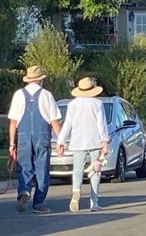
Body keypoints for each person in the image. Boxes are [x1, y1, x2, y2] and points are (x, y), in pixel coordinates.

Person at [8, 65, 61, 214]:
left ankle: (24, 191)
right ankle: (38, 203)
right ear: (40, 80)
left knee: (24, 167)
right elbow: (54, 121)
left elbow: (13, 121)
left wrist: (12, 144)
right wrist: (61, 140)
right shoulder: (46, 95)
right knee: (42, 169)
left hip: (23, 134)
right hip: (42, 134)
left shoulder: (18, 94)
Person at [56, 76, 109, 213]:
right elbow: (101, 125)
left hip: (77, 140)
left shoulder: (72, 104)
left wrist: (60, 141)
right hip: (94, 140)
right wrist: (105, 141)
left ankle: (76, 191)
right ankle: (94, 201)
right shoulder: (97, 104)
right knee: (95, 170)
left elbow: (67, 124)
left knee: (77, 170)